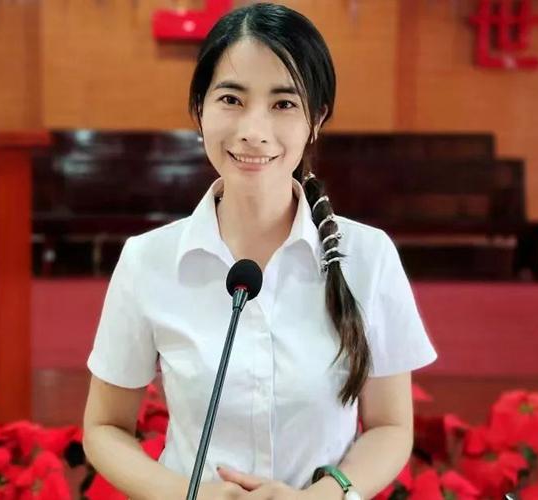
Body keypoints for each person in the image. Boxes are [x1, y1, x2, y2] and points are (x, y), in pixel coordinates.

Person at [82, 3, 437, 499]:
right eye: (231, 98)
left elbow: (390, 427)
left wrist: (323, 496)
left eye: (283, 103)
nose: (254, 130)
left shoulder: (368, 257)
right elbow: (104, 428)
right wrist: (191, 496)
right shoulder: (148, 260)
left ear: (317, 119)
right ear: (198, 110)